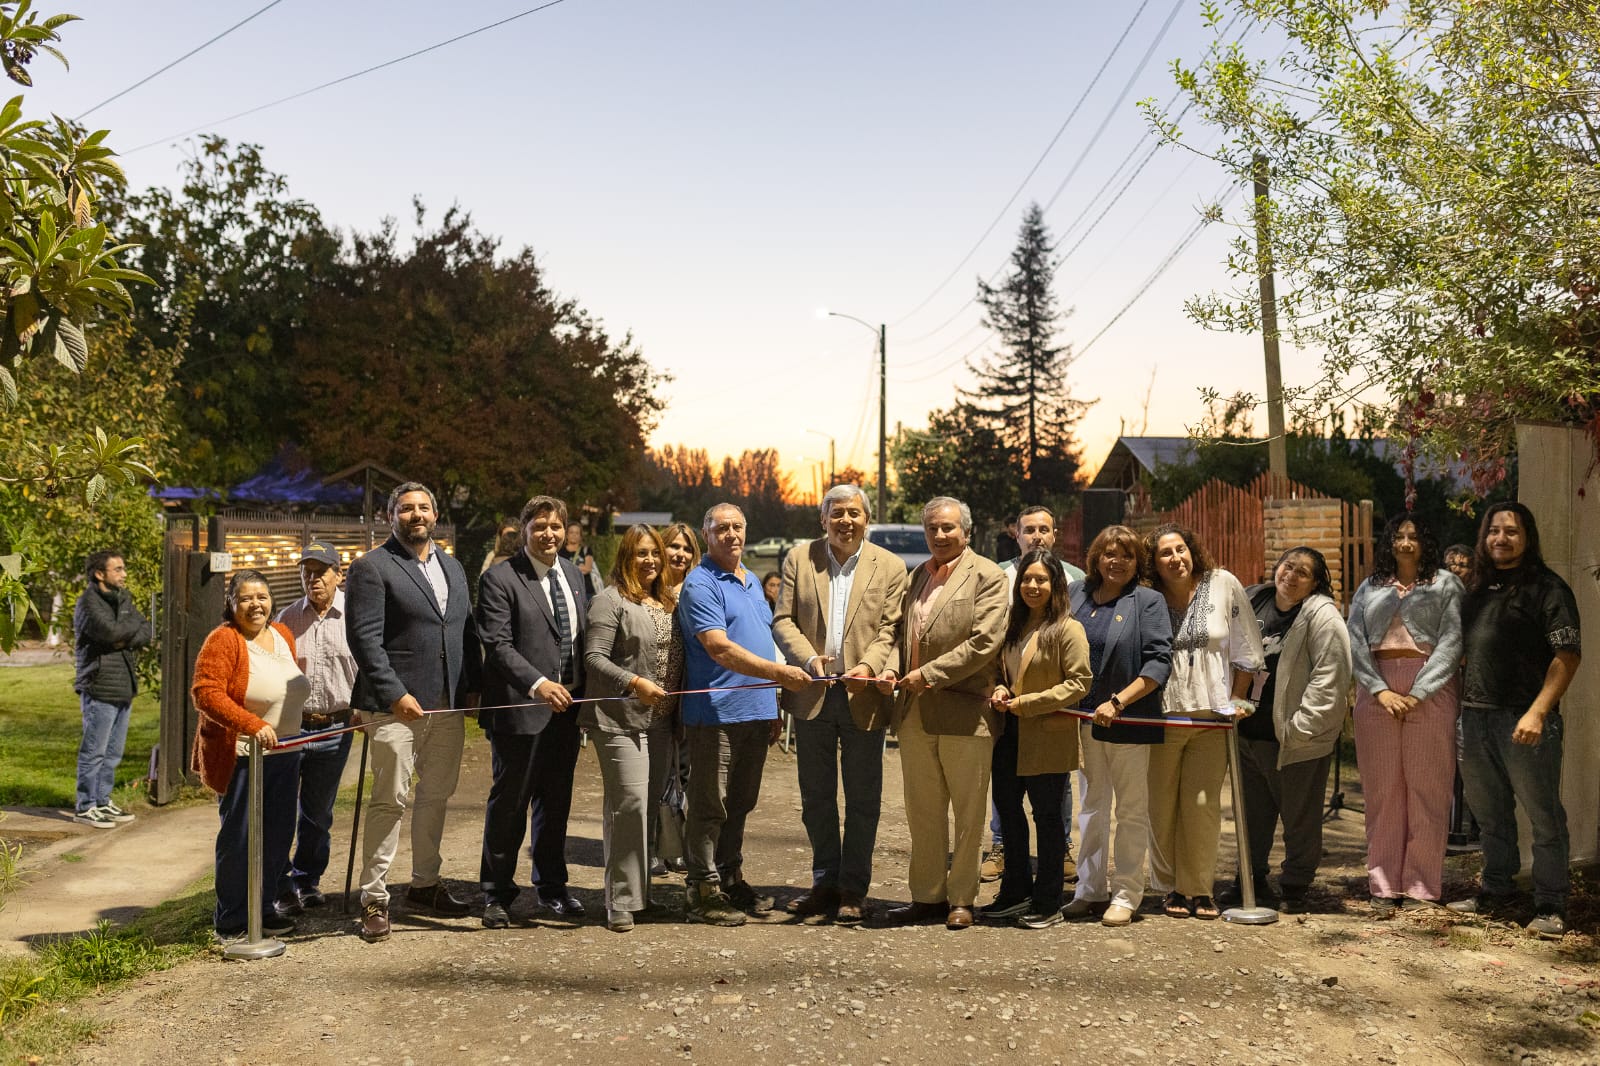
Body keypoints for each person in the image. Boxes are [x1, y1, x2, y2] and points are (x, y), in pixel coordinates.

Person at [346, 482, 480, 943]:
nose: (416, 514)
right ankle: (374, 898)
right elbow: (364, 639)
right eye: (406, 508)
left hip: (446, 705)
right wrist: (394, 694)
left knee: (436, 795)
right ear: (391, 516)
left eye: (424, 507)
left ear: (436, 515)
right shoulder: (371, 567)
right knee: (390, 800)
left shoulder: (453, 567)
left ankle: (425, 883)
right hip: (395, 709)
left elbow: (465, 632)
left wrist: (472, 688)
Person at [772, 485, 908, 924]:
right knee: (816, 796)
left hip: (862, 695)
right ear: (823, 519)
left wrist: (869, 666)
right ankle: (824, 882)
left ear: (866, 519)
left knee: (864, 798)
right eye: (837, 514)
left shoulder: (890, 566)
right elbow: (783, 620)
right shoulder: (799, 559)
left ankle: (853, 887)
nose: (845, 521)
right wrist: (807, 658)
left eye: (854, 513)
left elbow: (891, 629)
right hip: (813, 693)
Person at [1447, 503, 1581, 939]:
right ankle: (1495, 890)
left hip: (1526, 722)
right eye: (1493, 531)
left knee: (1544, 819)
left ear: (1527, 537)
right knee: (1490, 816)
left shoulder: (1548, 588)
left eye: (1511, 531)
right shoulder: (1475, 590)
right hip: (1475, 718)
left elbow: (1567, 656)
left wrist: (1538, 712)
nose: (1500, 539)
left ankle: (1551, 904)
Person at [677, 503, 812, 925]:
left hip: (755, 711)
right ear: (706, 534)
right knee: (709, 805)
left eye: (737, 527)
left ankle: (729, 876)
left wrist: (771, 702)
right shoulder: (700, 583)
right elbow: (719, 647)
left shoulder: (751, 580)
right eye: (722, 528)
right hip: (715, 714)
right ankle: (701, 888)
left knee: (740, 803)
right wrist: (779, 674)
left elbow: (760, 640)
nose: (731, 534)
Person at [879, 497, 1008, 930]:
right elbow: (901, 635)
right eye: (932, 528)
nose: (939, 535)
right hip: (914, 712)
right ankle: (928, 896)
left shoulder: (987, 576)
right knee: (923, 811)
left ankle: (962, 899)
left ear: (966, 532)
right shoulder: (918, 576)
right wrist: (892, 669)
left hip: (965, 712)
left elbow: (984, 642)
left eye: (948, 527)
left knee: (968, 815)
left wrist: (928, 674)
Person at [476, 495, 590, 928]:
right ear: (524, 530)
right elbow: (497, 644)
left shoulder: (574, 576)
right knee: (510, 805)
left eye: (556, 526)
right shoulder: (500, 578)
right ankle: (496, 893)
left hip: (567, 713)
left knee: (556, 804)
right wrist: (539, 684)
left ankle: (552, 888)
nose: (548, 534)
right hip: (521, 711)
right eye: (539, 526)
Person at [1145, 523, 1264, 920]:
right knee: (1161, 807)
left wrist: (1236, 700)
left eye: (1180, 549)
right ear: (1154, 562)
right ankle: (1170, 886)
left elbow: (1247, 648)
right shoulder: (1148, 595)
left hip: (1211, 719)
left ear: (1191, 550)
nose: (1175, 558)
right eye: (1165, 553)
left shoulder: (1223, 584)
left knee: (1202, 806)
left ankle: (1198, 889)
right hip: (1161, 718)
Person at [1347, 513, 1463, 913]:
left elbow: (1452, 641)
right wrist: (1379, 690)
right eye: (1399, 536)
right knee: (1383, 791)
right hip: (1376, 689)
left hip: (1430, 687)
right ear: (1389, 542)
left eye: (1414, 536)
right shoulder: (1370, 586)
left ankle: (1421, 887)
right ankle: (1383, 885)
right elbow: (1355, 640)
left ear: (1426, 542)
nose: (1406, 542)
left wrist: (1418, 692)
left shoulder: (1446, 584)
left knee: (1428, 790)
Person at [1231, 547, 1352, 911]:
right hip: (1247, 733)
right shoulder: (1256, 599)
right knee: (1251, 817)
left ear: (1315, 582)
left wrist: (1301, 728)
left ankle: (1296, 886)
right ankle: (1249, 880)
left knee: (1299, 818)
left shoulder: (1323, 617)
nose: (1291, 575)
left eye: (1302, 572)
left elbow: (1330, 678)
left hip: (1293, 740)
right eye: (1288, 566)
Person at [190, 570, 308, 941]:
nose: (255, 604)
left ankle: (263, 908)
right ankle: (232, 919)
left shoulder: (283, 634)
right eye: (246, 598)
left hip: (285, 753)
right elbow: (206, 693)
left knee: (277, 838)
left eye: (262, 597)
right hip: (244, 757)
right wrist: (252, 724)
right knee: (240, 839)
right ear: (231, 604)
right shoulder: (224, 639)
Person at [1063, 526, 1171, 926]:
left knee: (1130, 811)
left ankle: (1126, 894)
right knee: (1091, 808)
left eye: (1127, 555)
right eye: (1110, 553)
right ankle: (1089, 890)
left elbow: (1159, 662)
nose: (1117, 562)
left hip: (1128, 719)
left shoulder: (1148, 601)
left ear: (1137, 562)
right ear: (1096, 557)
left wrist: (1118, 702)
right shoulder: (1076, 594)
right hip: (1083, 721)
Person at [583, 524, 683, 932]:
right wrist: (634, 683)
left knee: (649, 810)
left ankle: (642, 897)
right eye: (642, 553)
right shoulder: (609, 600)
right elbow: (594, 658)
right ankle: (620, 901)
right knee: (629, 807)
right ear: (626, 556)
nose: (651, 560)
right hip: (620, 720)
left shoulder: (668, 601)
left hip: (661, 722)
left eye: (655, 552)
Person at [984, 550, 1092, 928]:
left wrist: (1027, 703)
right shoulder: (1012, 624)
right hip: (1009, 733)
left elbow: (1079, 683)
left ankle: (1048, 901)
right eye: (1027, 579)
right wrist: (1000, 688)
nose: (1032, 586)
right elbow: (1000, 670)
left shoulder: (1067, 629)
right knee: (1008, 811)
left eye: (1041, 580)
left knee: (1047, 817)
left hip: (1047, 734)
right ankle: (1015, 891)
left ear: (1056, 584)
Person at [273, 541, 358, 916]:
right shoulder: (287, 618)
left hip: (336, 727)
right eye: (306, 572)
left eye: (321, 572)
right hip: (292, 726)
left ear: (338, 574)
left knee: (317, 813)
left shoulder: (356, 615)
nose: (313, 579)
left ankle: (306, 880)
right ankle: (280, 885)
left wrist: (365, 705)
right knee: (279, 810)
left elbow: (369, 665)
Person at [71, 550, 152, 828]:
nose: (123, 574)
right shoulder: (88, 603)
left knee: (113, 753)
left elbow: (145, 631)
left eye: (123, 568)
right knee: (94, 751)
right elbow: (110, 633)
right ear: (99, 574)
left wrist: (123, 636)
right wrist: (125, 632)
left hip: (123, 685)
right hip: (99, 686)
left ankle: (102, 801)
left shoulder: (123, 598)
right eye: (117, 569)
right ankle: (85, 806)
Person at [656, 521, 703, 875]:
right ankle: (653, 846)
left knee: (684, 772)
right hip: (655, 692)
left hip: (690, 691)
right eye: (674, 546)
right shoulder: (648, 588)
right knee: (657, 772)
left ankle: (677, 844)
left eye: (687, 548)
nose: (681, 554)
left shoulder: (698, 588)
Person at [560, 519, 603, 598]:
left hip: (587, 591)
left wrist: (569, 569)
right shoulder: (560, 552)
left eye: (577, 533)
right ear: (566, 535)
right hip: (568, 591)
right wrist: (580, 568)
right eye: (571, 532)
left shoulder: (586, 550)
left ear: (580, 536)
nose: (574, 535)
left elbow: (588, 569)